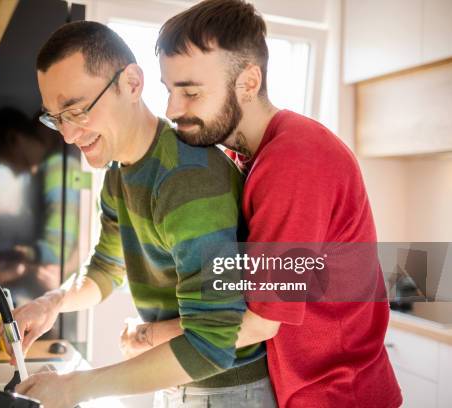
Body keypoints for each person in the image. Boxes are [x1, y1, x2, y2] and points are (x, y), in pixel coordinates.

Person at [134, 1, 402, 407]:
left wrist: (148, 336)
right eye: (169, 90)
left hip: (336, 396)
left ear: (248, 82)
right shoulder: (253, 155)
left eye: (190, 91)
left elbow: (261, 322)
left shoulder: (294, 160)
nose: (172, 109)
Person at [10, 21, 275, 408]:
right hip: (182, 381)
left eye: (77, 110)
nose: (67, 135)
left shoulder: (186, 177)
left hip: (228, 391)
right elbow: (104, 270)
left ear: (132, 84)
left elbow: (212, 342)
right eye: (56, 118)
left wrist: (73, 388)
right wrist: (52, 302)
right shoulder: (119, 175)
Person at [0, 107, 81, 302]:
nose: (1, 163)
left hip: (65, 292)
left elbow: (56, 251)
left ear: (13, 139)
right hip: (59, 291)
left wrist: (18, 264)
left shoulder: (57, 168)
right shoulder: (45, 172)